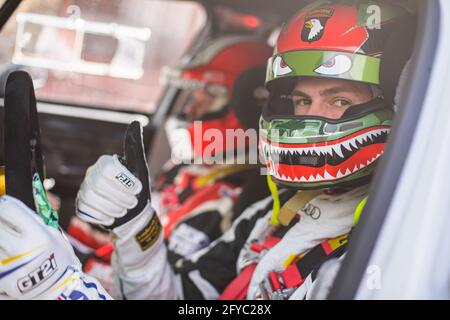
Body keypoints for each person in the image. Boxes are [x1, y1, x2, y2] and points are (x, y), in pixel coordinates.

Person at [0, 0, 415, 300]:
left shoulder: (382, 251)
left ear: (398, 105)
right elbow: (181, 301)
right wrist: (135, 225)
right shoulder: (269, 216)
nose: (309, 118)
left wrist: (64, 291)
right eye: (302, 102)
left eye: (339, 100)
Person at [65, 35, 272, 297]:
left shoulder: (243, 197)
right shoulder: (183, 168)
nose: (191, 111)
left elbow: (165, 284)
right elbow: (120, 245)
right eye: (191, 98)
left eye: (206, 99)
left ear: (247, 107)